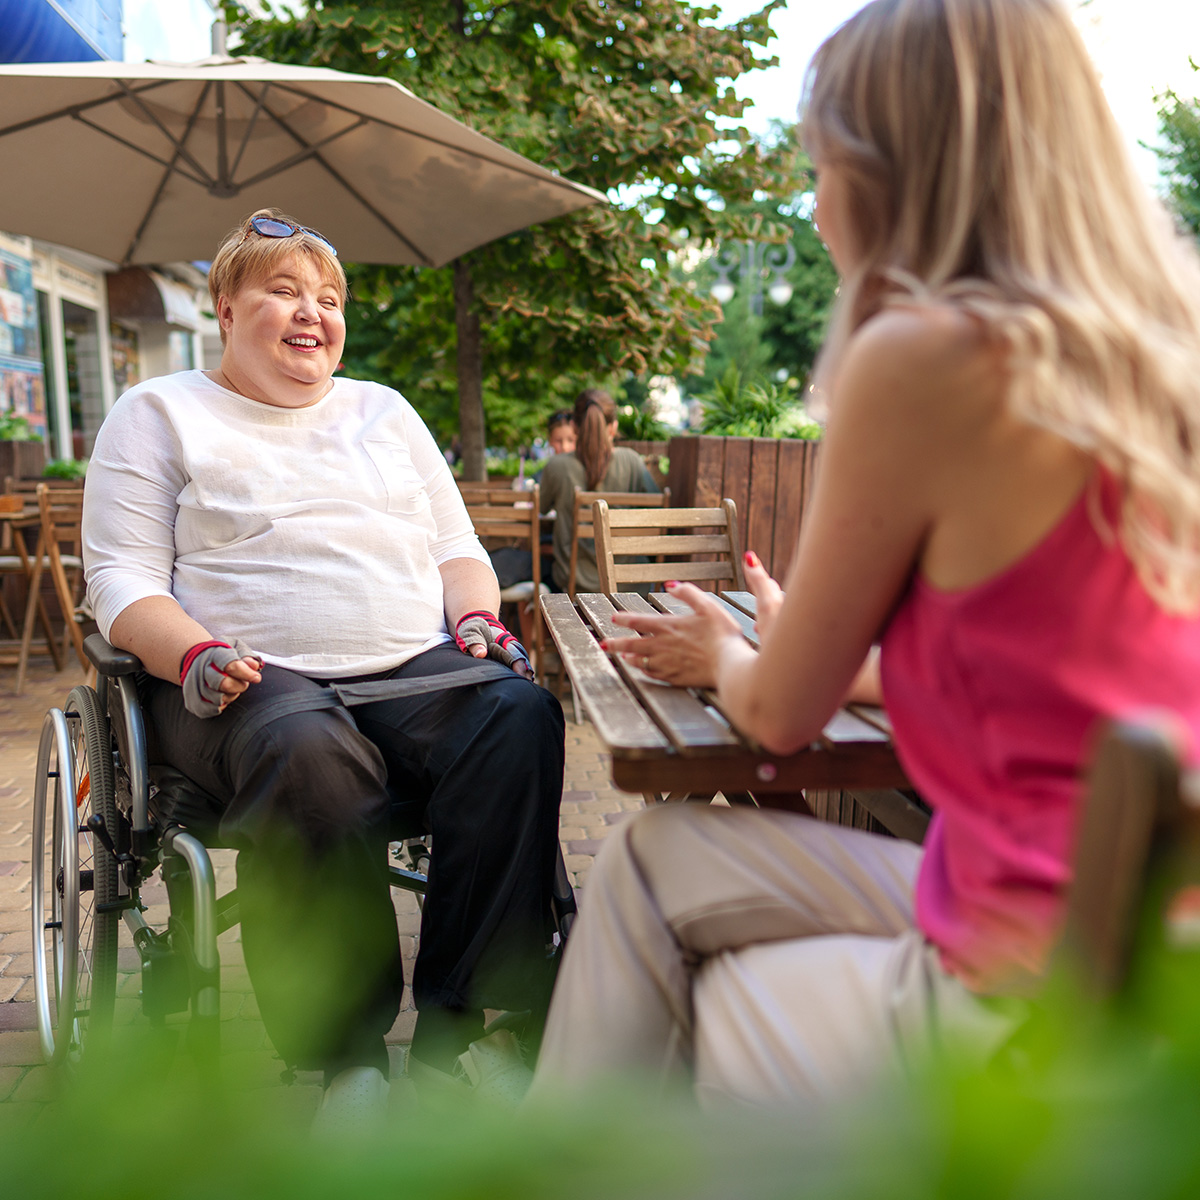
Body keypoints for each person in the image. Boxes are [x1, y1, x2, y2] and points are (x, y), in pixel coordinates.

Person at [529, 0, 1200, 1108]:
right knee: (653, 858)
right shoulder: (1156, 364)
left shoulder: (930, 360)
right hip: (1149, 948)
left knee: (693, 967)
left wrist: (729, 658)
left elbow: (781, 719)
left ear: (895, 175)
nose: (817, 202)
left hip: (1046, 1002)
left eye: (823, 166)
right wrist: (814, 643)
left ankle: (572, 1165)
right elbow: (1044, 675)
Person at [83, 209, 565, 1126]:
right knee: (309, 753)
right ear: (224, 308)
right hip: (241, 681)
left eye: (331, 298)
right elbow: (120, 579)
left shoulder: (383, 410)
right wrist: (193, 651)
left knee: (519, 717)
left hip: (411, 667)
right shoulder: (158, 413)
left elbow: (459, 551)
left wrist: (473, 617)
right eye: (285, 291)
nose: (315, 313)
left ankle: (462, 1033)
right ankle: (348, 1061)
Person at [537, 388, 659, 593]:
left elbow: (540, 507)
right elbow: (658, 514)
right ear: (613, 427)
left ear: (574, 427)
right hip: (631, 586)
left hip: (575, 584)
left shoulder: (557, 466)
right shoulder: (632, 461)